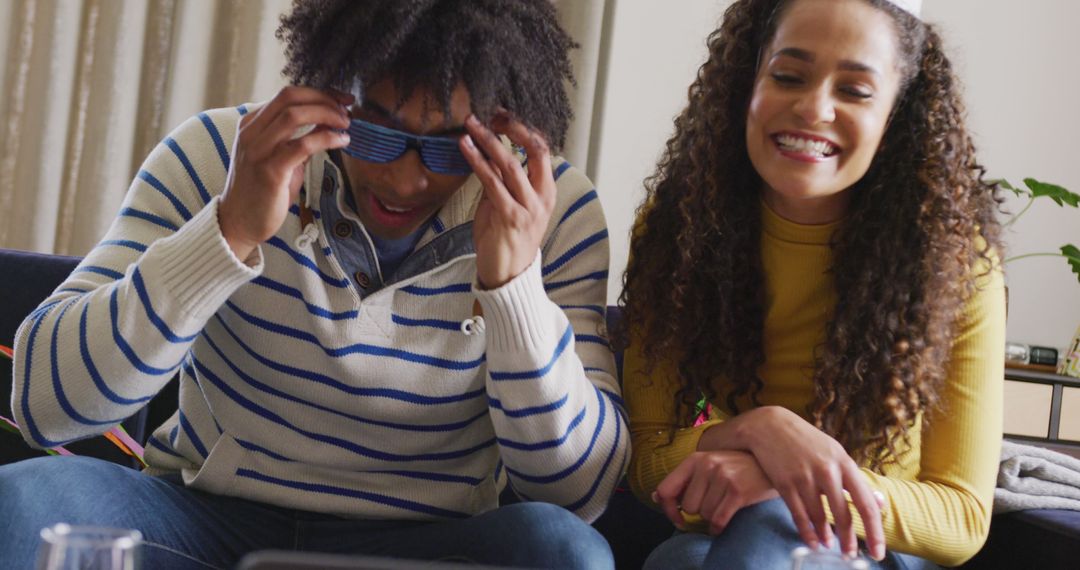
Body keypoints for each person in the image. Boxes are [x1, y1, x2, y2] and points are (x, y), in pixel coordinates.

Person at [2, 1, 627, 568]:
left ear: (497, 127)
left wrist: (514, 288)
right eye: (376, 131)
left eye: (445, 150)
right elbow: (44, 404)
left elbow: (580, 492)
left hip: (428, 547)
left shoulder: (552, 211)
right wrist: (225, 233)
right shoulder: (221, 156)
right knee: (25, 503)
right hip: (203, 523)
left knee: (566, 552)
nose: (405, 181)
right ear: (331, 84)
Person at [620, 0, 1004, 568]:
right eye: (789, 76)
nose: (813, 108)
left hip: (873, 546)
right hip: (720, 533)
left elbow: (962, 515)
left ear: (897, 115)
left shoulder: (952, 260)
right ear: (746, 84)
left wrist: (793, 483)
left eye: (854, 91)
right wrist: (765, 430)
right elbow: (646, 455)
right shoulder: (680, 229)